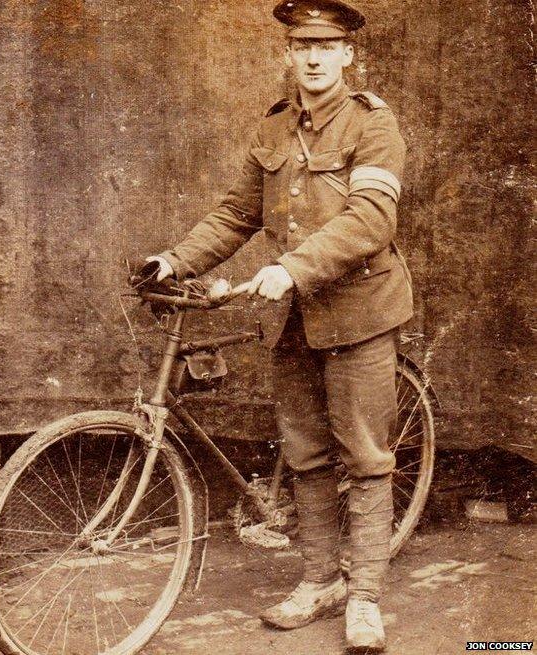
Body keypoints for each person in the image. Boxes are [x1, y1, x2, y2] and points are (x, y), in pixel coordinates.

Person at [145, 0, 413, 651]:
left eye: (327, 45)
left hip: (359, 314)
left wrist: (293, 267)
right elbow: (237, 213)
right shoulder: (273, 129)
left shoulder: (373, 126)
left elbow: (372, 219)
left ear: (349, 53)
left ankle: (366, 597)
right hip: (290, 321)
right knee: (307, 455)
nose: (314, 57)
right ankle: (321, 579)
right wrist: (172, 260)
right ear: (288, 54)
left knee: (366, 458)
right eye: (302, 46)